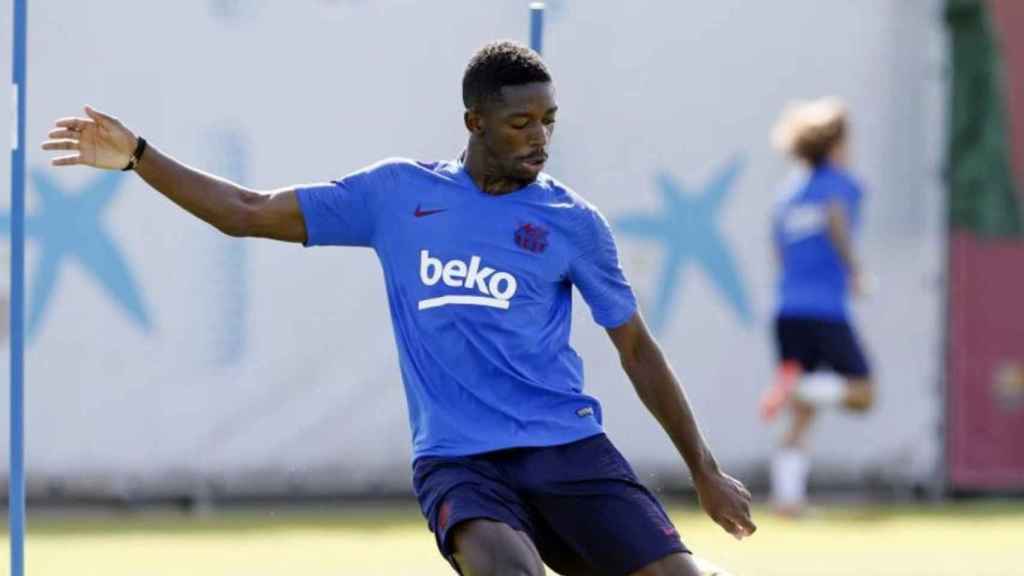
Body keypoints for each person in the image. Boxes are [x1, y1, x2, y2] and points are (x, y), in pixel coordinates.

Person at [43, 41, 754, 575]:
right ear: (475, 121)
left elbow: (636, 350)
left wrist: (704, 470)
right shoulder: (394, 197)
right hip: (459, 461)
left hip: (566, 450)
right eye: (520, 122)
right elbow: (244, 211)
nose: (539, 138)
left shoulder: (574, 223)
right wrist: (139, 155)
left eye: (549, 121)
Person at [759, 97, 876, 516]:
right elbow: (837, 222)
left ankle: (788, 500)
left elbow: (778, 253)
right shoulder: (841, 185)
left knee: (803, 414)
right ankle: (800, 383)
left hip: (787, 309)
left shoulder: (787, 195)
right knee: (863, 393)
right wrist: (855, 270)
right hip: (825, 309)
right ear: (835, 144)